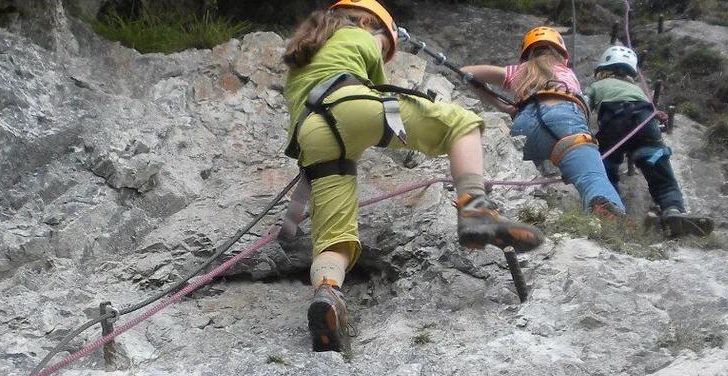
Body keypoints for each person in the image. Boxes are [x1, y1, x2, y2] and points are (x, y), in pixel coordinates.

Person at [283, 0, 546, 354]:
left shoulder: (300, 61)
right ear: (366, 21)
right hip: (351, 105)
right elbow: (377, 92)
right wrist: (380, 40)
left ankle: (328, 295)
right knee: (462, 124)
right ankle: (475, 208)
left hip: (311, 136)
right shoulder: (361, 34)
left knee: (335, 238)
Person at [462, 27, 626, 222]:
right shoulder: (567, 72)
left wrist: (502, 106)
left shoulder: (520, 70)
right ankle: (607, 217)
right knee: (591, 178)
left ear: (526, 54)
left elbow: (466, 73)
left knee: (517, 181)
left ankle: (508, 217)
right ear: (562, 56)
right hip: (565, 119)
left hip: (523, 124)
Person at [586, 44, 704, 237]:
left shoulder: (598, 86)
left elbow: (583, 104)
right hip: (646, 124)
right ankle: (673, 210)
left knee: (605, 168)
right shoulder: (637, 89)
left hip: (614, 125)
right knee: (662, 175)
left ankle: (612, 210)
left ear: (603, 69)